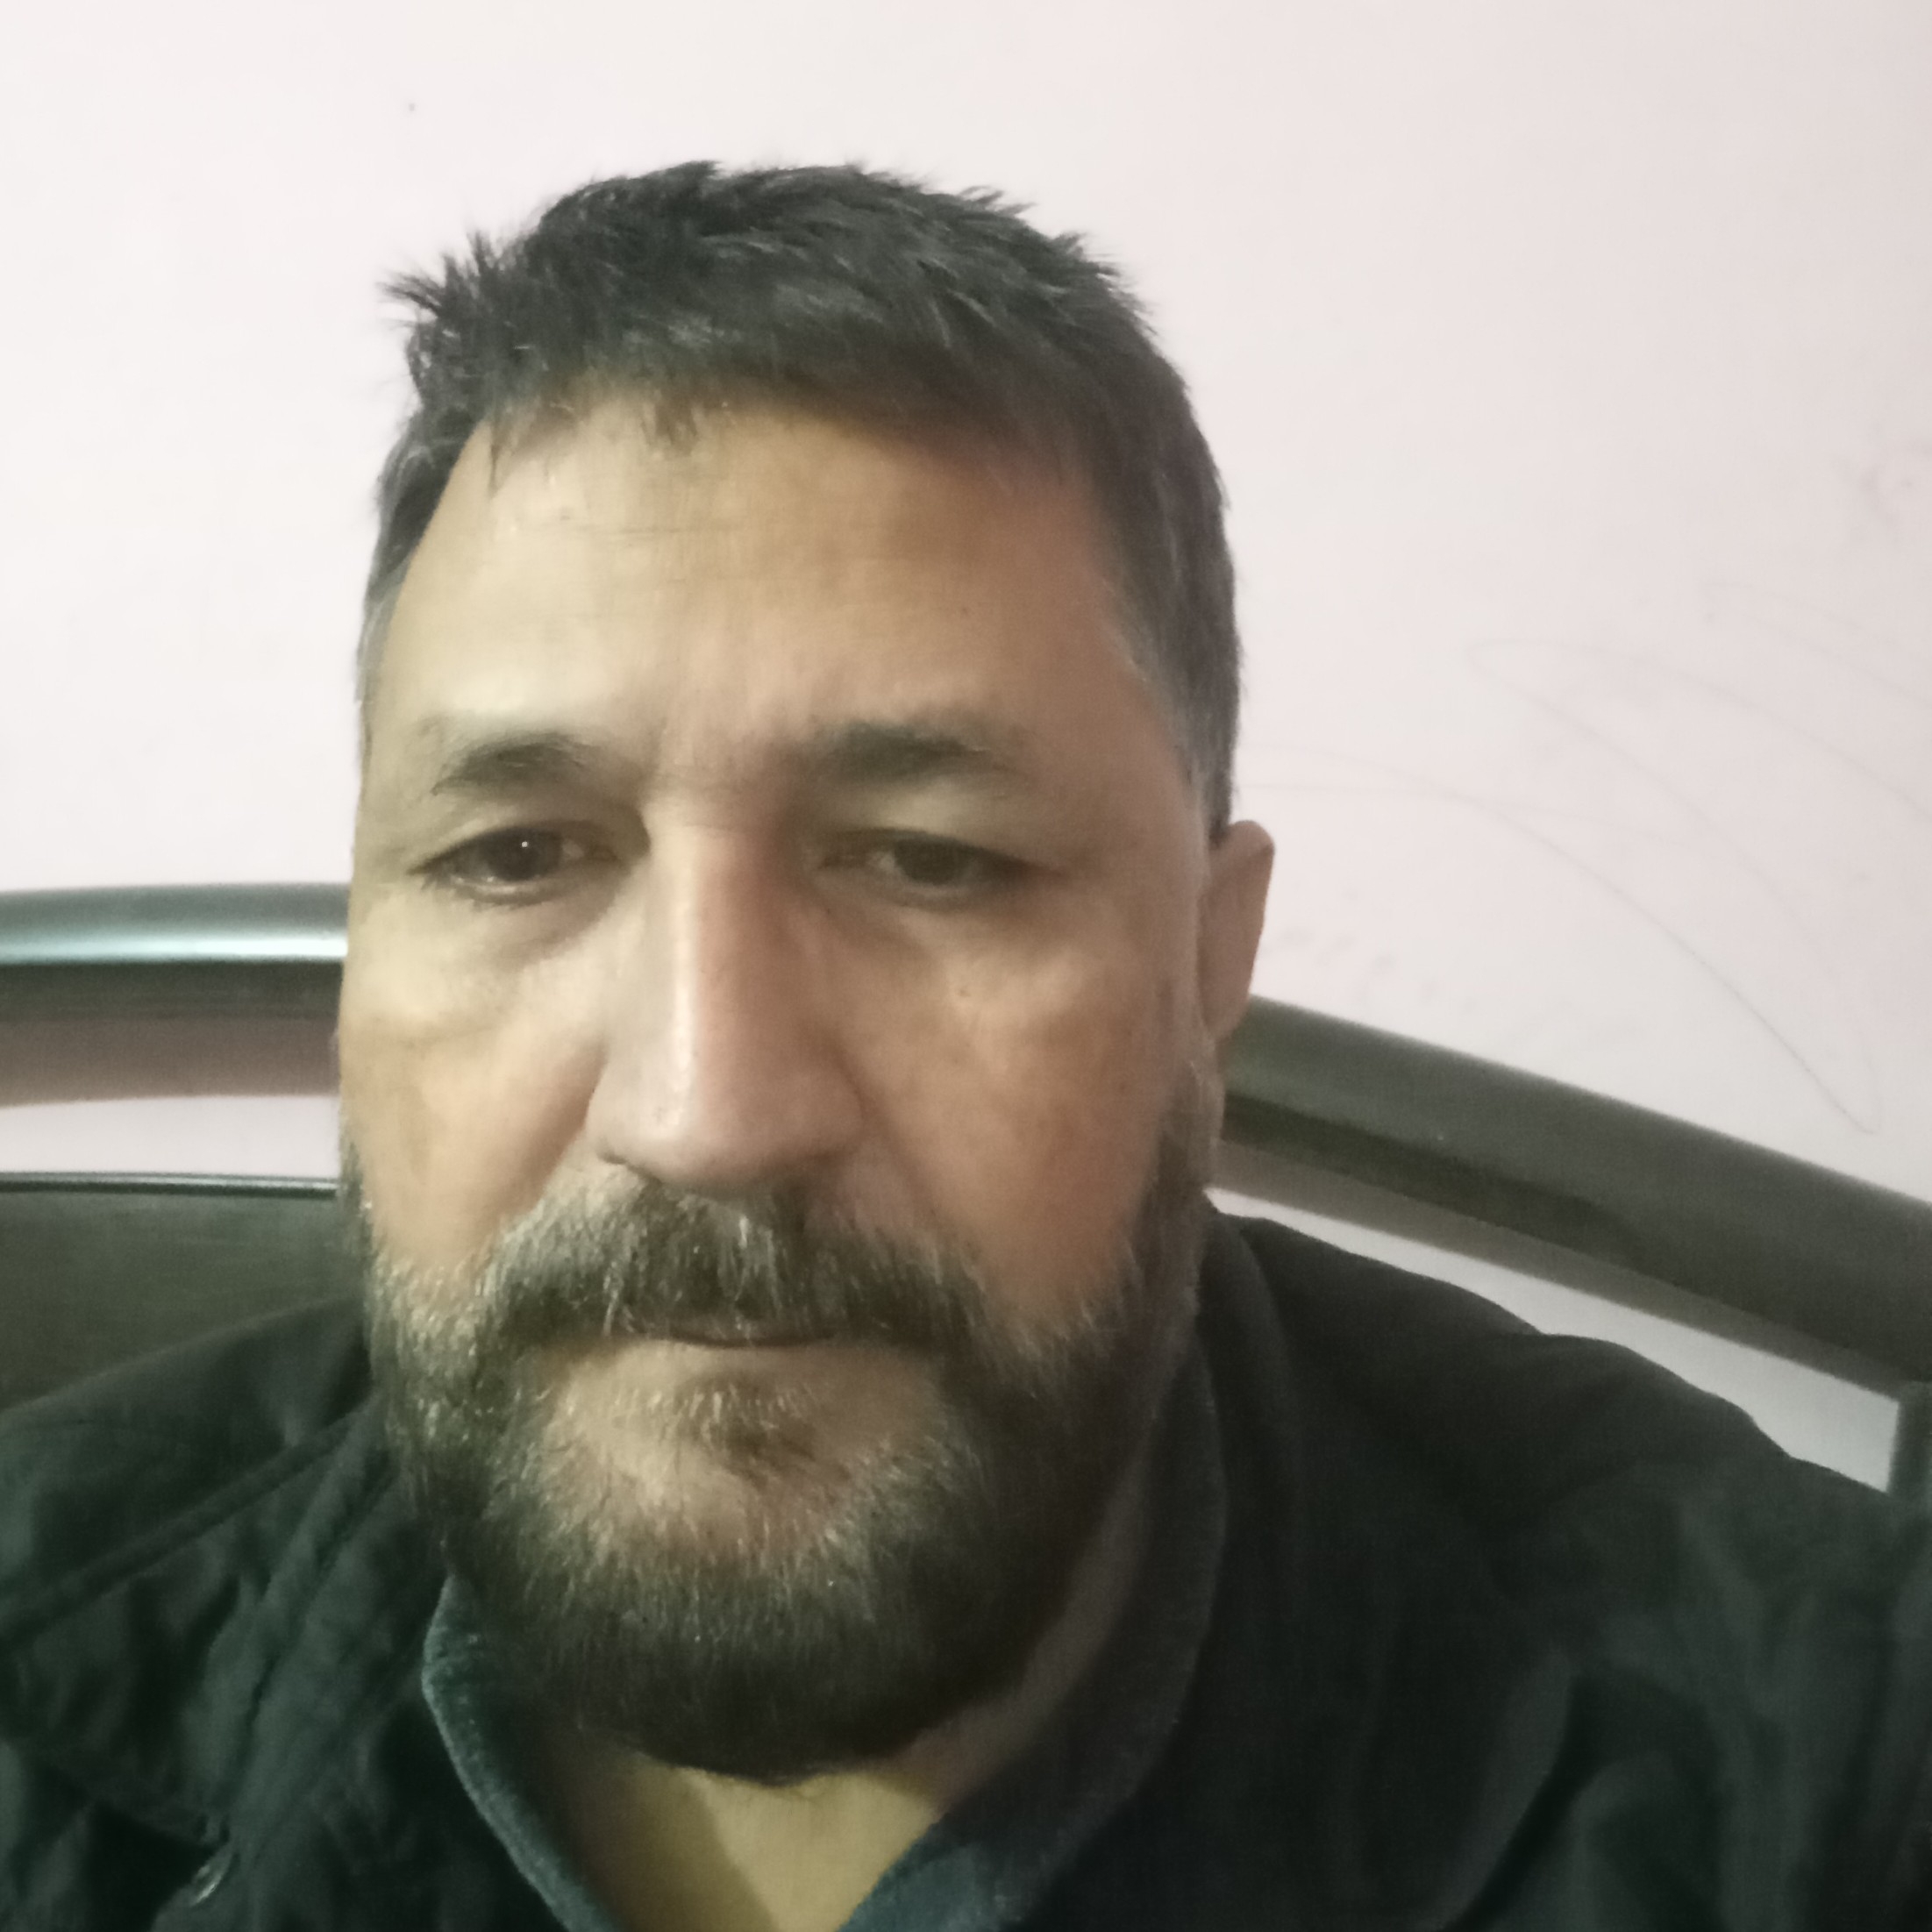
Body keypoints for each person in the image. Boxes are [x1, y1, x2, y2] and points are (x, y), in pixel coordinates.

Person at [3, 162, 1930, 1932]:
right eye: (517, 856)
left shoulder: (1810, 1773)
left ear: (1207, 962)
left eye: (936, 862)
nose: (707, 1111)